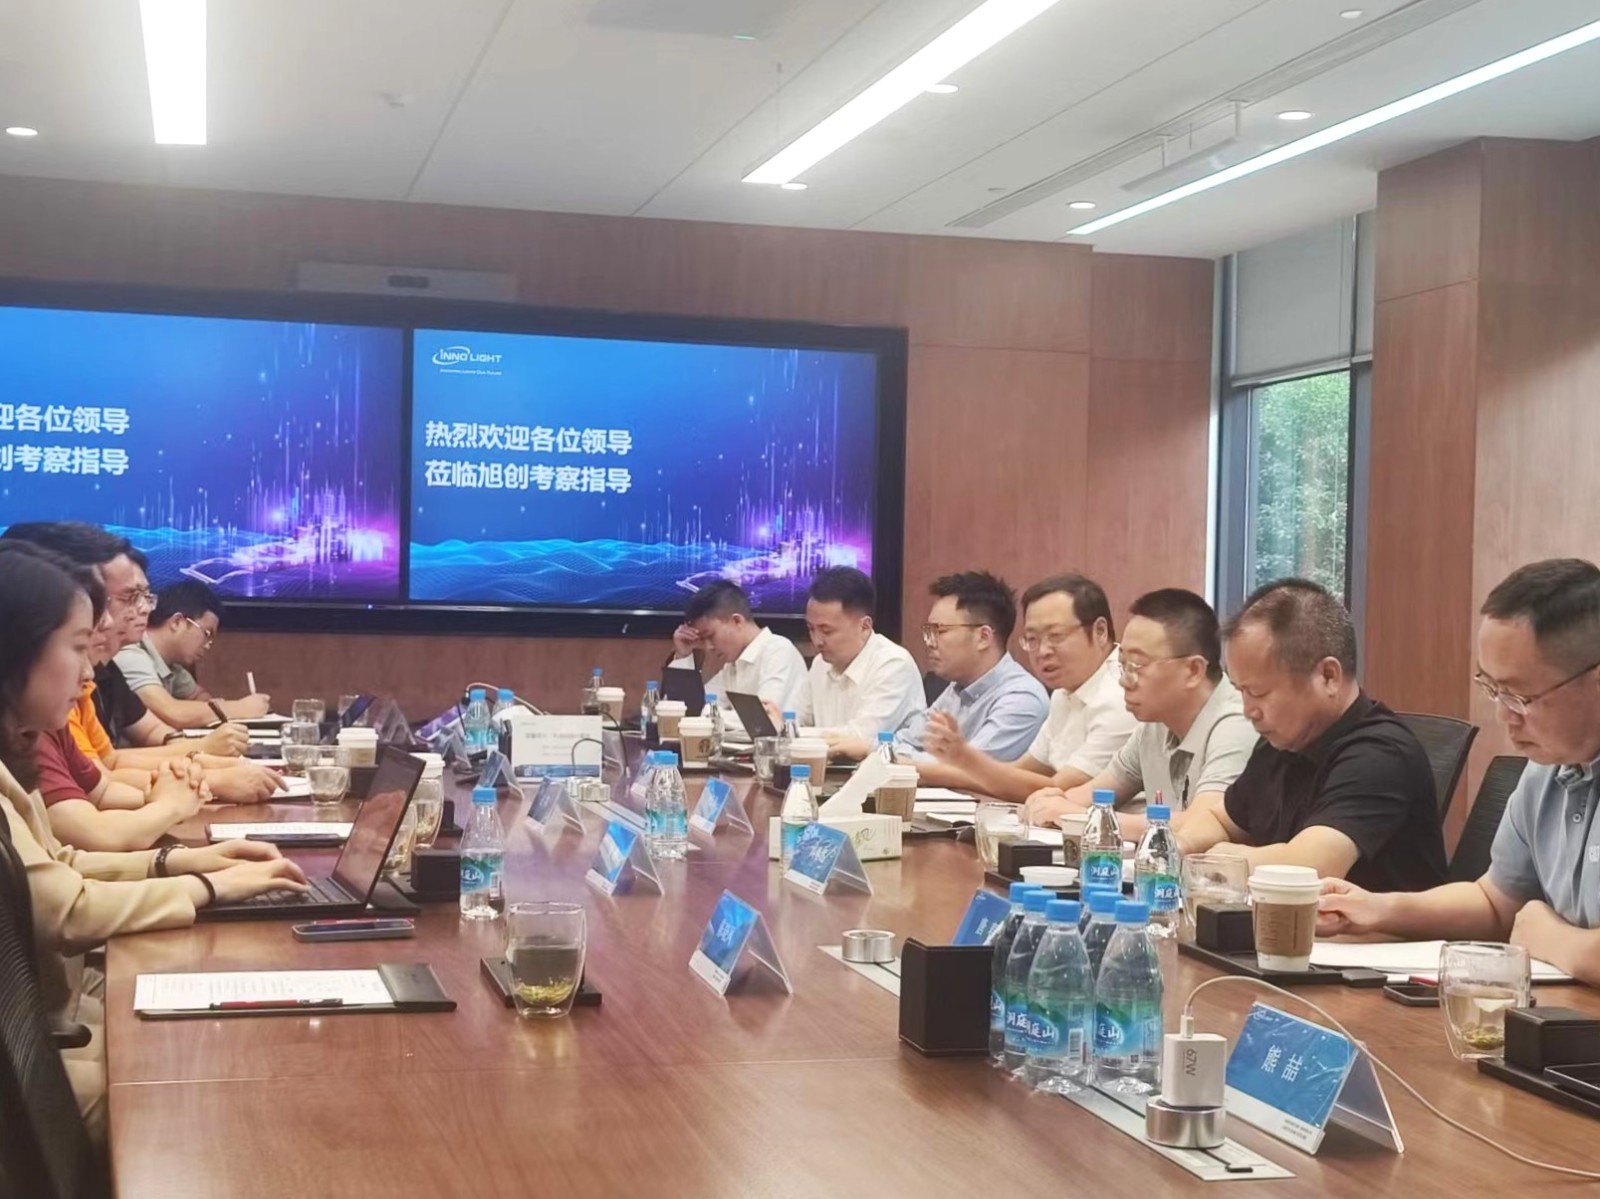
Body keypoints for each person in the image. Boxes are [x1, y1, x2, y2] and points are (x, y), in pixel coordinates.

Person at [0, 541, 308, 1140]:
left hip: (48, 1028)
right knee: (215, 1085)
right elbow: (68, 909)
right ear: (17, 651)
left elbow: (63, 862)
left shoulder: (17, 749)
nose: (89, 673)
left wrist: (186, 859)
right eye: (77, 646)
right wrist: (207, 887)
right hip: (32, 1068)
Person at [1320, 560, 1600, 987]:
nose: (1504, 716)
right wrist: (1378, 909)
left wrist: (1551, 938)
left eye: (1520, 696)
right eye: (1493, 689)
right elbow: (1496, 903)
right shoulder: (1547, 769)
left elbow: (1527, 925)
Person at [1177, 577, 1446, 891]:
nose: (1248, 711)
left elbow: (1310, 867)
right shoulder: (1280, 742)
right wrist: (1179, 847)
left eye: (1259, 693)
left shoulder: (1379, 754)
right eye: (1241, 692)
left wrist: (1223, 860)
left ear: (1328, 676)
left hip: (1372, 924)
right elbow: (1222, 819)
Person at [1, 523, 277, 803]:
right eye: (129, 597)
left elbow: (107, 769)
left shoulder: (92, 676)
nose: (143, 609)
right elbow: (89, 806)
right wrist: (203, 780)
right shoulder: (52, 703)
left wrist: (202, 763)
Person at [1023, 589, 1258, 840]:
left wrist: (1081, 817)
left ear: (1193, 670)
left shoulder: (1236, 724)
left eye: (1137, 665)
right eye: (1122, 664)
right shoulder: (1155, 724)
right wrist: (1051, 802)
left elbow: (1204, 824)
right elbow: (1092, 795)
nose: (1124, 681)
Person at [918, 574, 1135, 800]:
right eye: (1032, 639)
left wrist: (964, 758)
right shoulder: (1064, 691)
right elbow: (1023, 770)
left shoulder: (1120, 696)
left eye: (1056, 636)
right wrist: (947, 766)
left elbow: (1059, 790)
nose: (1042, 651)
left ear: (1100, 631)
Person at [891, 571, 1049, 788]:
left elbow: (967, 771)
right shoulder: (956, 687)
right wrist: (895, 757)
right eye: (928, 631)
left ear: (983, 637)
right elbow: (906, 740)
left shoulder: (1022, 698)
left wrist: (895, 761)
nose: (930, 642)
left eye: (939, 631)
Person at [791, 567, 925, 753]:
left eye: (827, 631)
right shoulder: (820, 663)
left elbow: (859, 738)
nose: (817, 640)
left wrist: (794, 733)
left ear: (865, 626)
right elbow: (795, 719)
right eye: (811, 629)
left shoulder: (894, 664)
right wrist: (780, 723)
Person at [114, 580, 270, 728]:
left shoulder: (172, 665)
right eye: (207, 633)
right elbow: (172, 713)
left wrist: (214, 708)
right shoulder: (131, 654)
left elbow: (200, 697)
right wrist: (240, 708)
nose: (208, 644)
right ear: (177, 622)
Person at [670, 579, 808, 727]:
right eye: (703, 639)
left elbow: (762, 718)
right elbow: (692, 707)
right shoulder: (732, 663)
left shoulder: (779, 651)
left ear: (736, 621)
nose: (708, 647)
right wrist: (683, 655)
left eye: (710, 636)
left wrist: (709, 715)